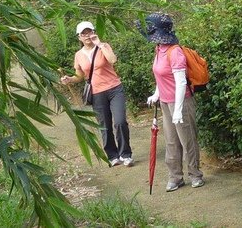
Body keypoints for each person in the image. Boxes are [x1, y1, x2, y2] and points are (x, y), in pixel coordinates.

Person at [142, 12, 204, 192]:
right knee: (170, 141)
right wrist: (156, 94)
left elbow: (181, 82)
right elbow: (161, 77)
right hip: (166, 102)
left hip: (182, 102)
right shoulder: (158, 49)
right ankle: (175, 177)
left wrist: (177, 110)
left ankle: (195, 175)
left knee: (188, 140)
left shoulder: (174, 51)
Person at [61, 21, 133, 167]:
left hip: (114, 88)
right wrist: (69, 79)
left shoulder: (103, 46)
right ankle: (112, 156)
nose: (87, 35)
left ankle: (125, 154)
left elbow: (113, 60)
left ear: (94, 32)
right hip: (96, 92)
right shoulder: (78, 55)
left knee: (120, 121)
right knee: (104, 125)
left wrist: (99, 44)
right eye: (83, 33)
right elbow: (80, 76)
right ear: (79, 37)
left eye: (89, 32)